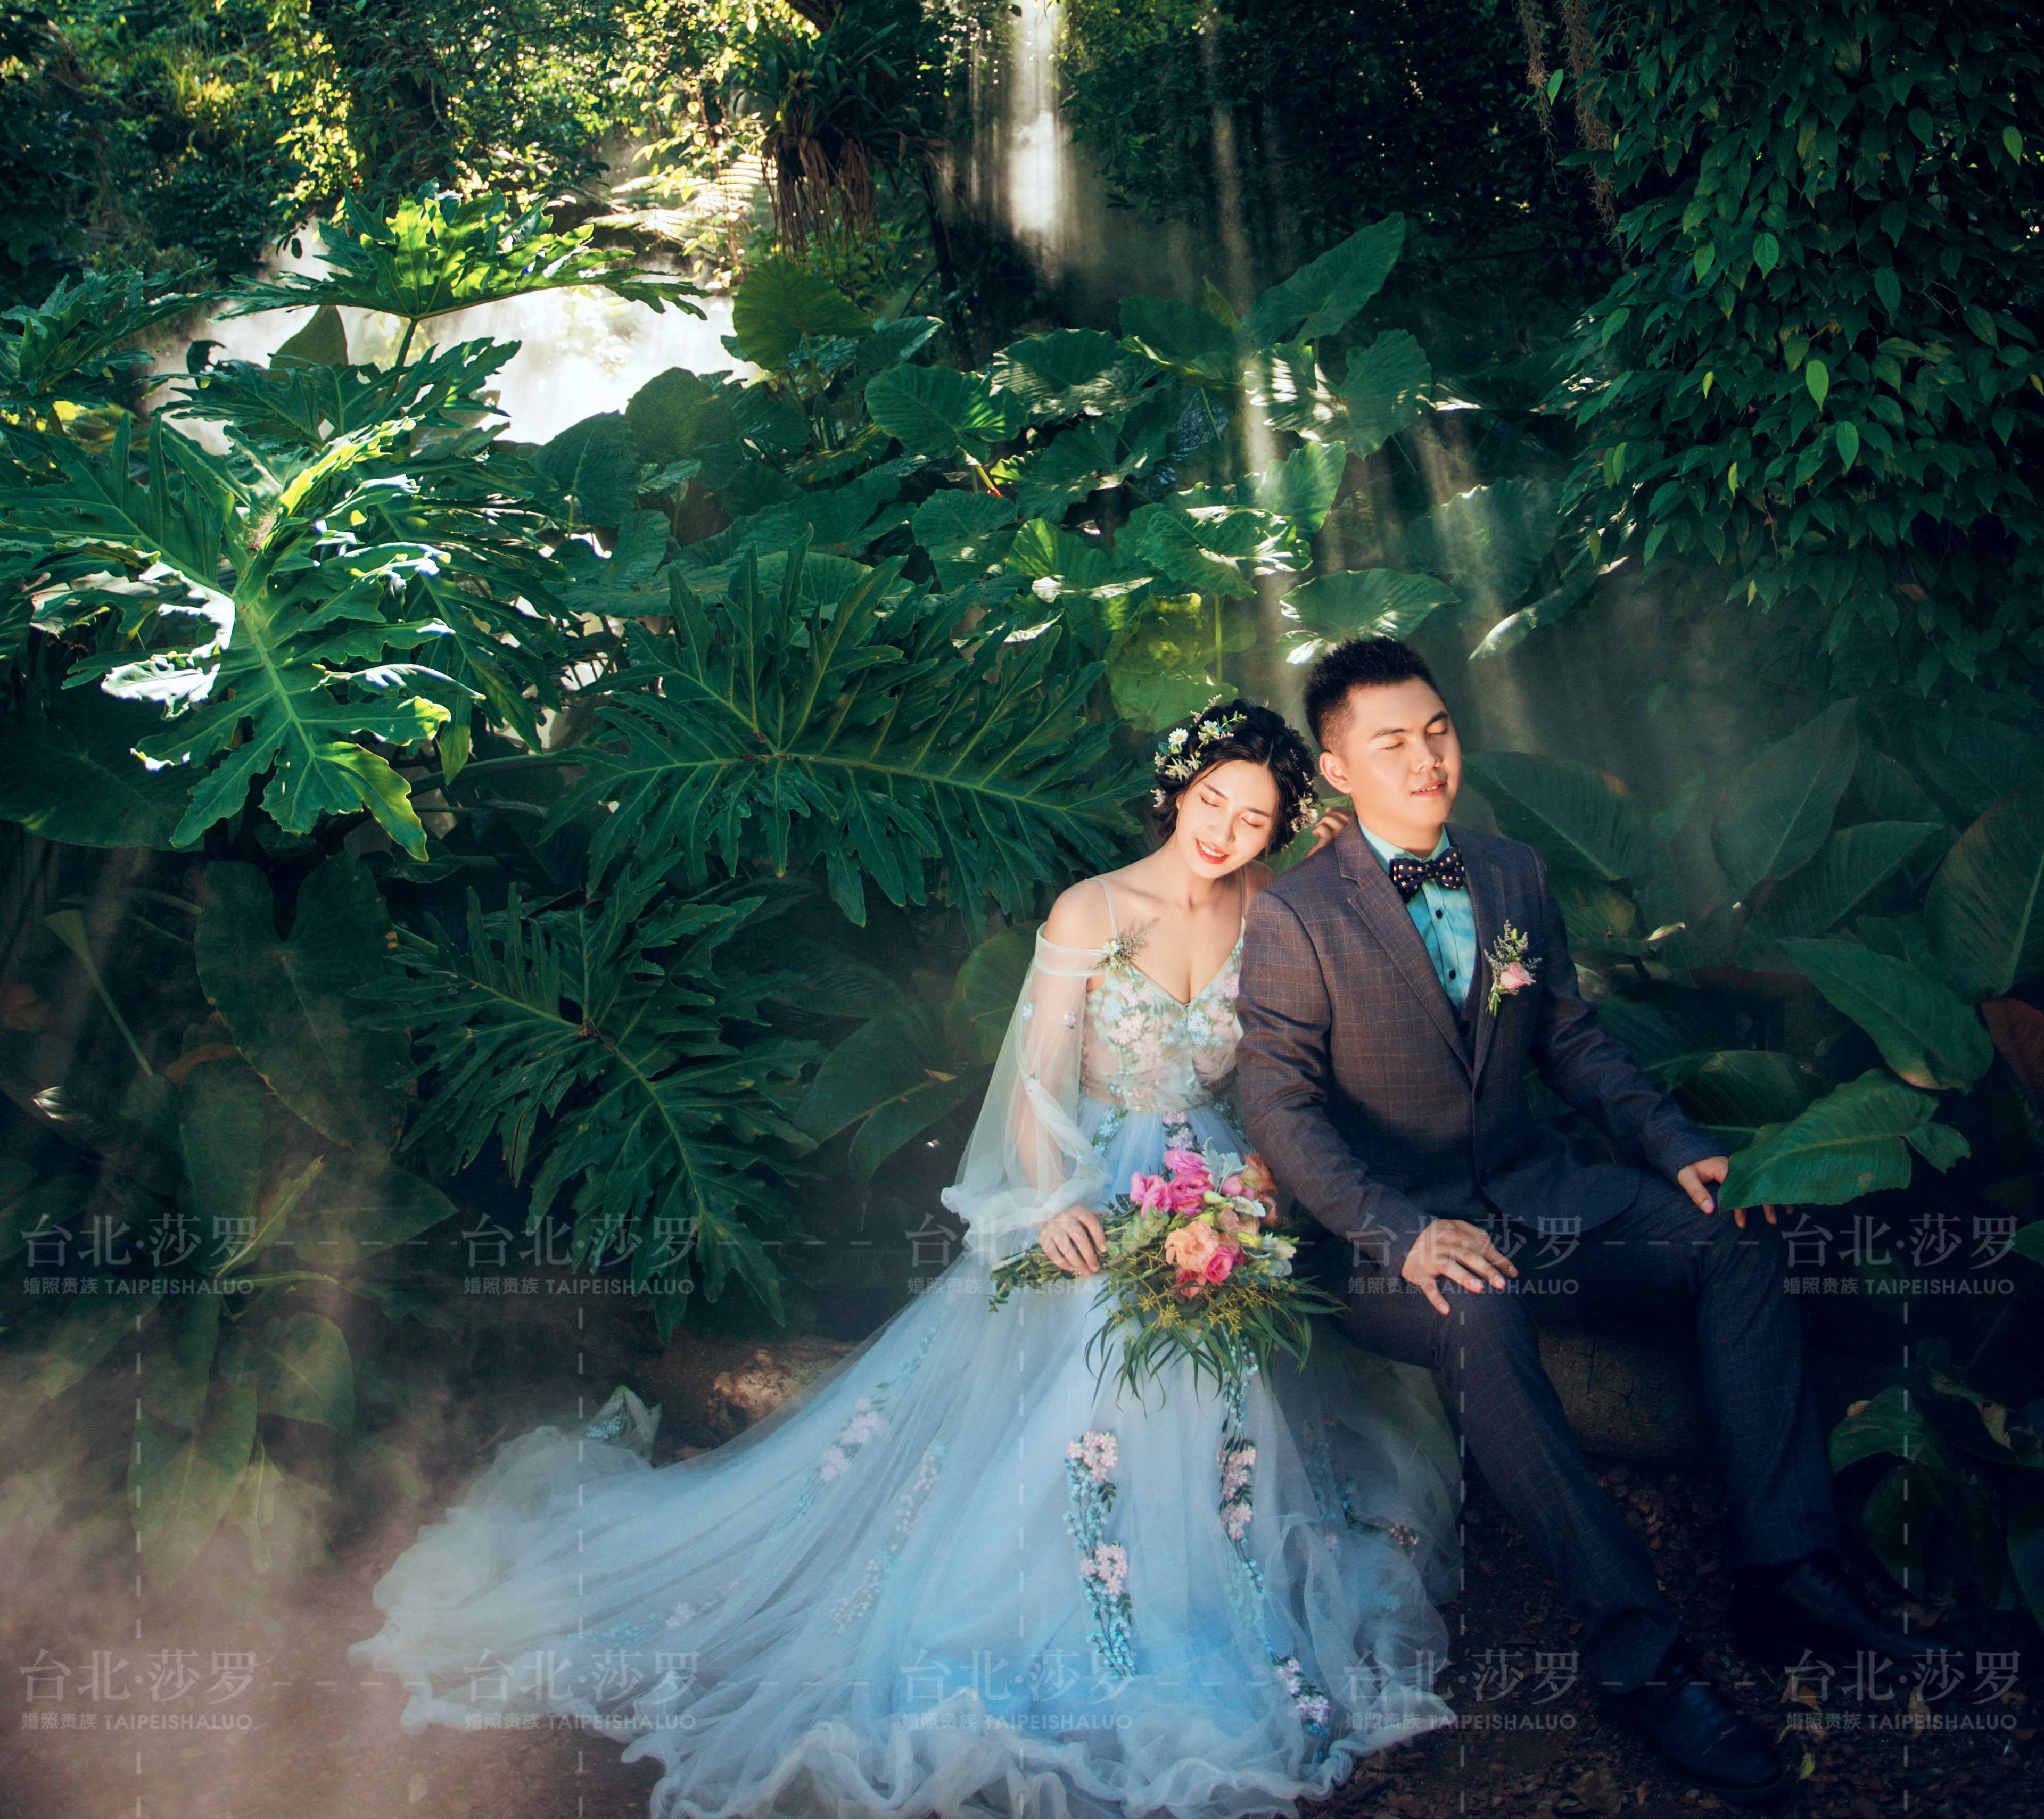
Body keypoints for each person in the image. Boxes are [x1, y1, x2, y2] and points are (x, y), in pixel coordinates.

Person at [350, 697, 1461, 1819]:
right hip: (1090, 1171)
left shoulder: (1271, 907)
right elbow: (1037, 1083)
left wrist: (1257, 1167)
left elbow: (1320, 1012)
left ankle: (1197, 1582)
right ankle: (1072, 1601)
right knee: (1099, 1336)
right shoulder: (1095, 908)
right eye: (1212, 801)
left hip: (1218, 1181)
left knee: (1228, 1355)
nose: (1223, 832)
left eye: (1254, 818)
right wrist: (1053, 1204)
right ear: (1178, 789)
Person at [1236, 634, 1944, 1816]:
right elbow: (1281, 1109)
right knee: (1480, 1313)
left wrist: (1676, 1144)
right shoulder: (1298, 917)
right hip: (1392, 1242)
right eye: (1393, 743)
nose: (1427, 758)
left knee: (1734, 1240)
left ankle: (1788, 1574)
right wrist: (1401, 1232)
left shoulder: (1510, 872)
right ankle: (1641, 1654)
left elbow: (1569, 1038)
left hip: (1539, 1196)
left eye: (1438, 730)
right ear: (1340, 771)